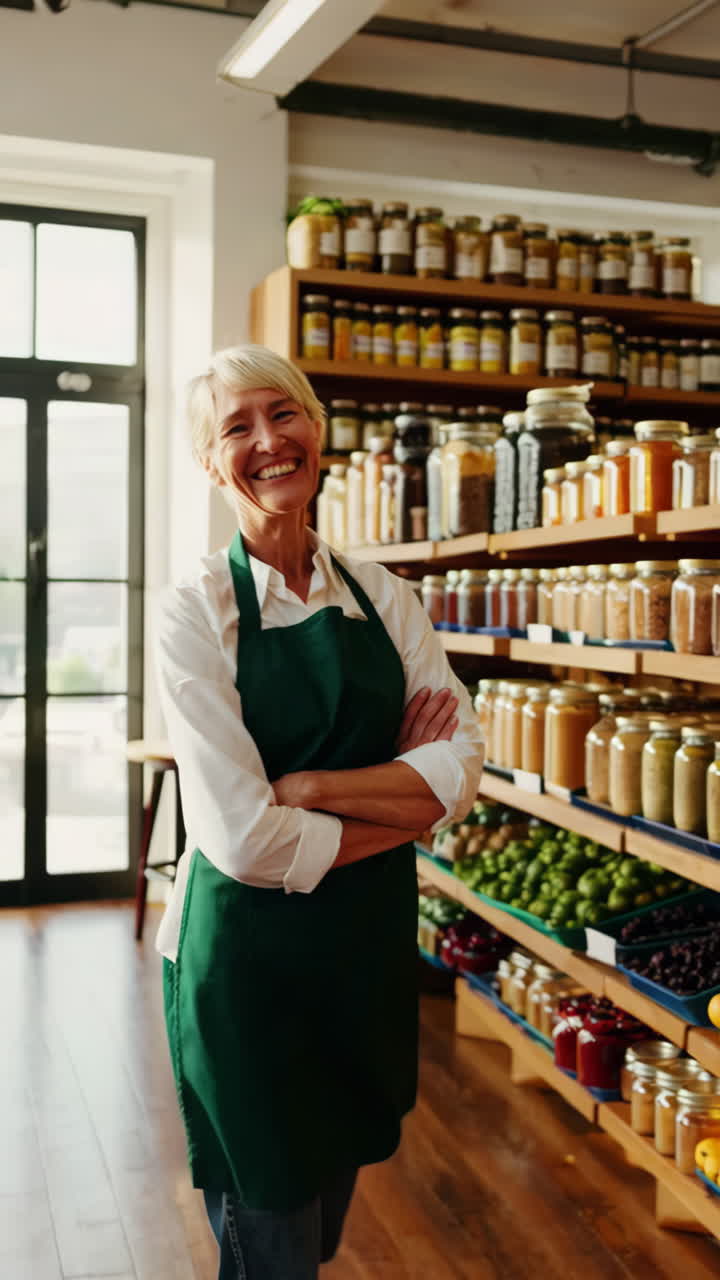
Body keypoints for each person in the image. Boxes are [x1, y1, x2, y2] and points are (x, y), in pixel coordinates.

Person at [153, 344, 484, 1279]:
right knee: (271, 1238)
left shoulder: (386, 598)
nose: (268, 441)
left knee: (324, 1209)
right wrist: (407, 801)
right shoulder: (195, 610)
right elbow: (245, 840)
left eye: (283, 413)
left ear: (318, 427)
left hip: (360, 949)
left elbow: (464, 765)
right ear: (212, 462)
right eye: (237, 428)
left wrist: (317, 788)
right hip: (245, 964)